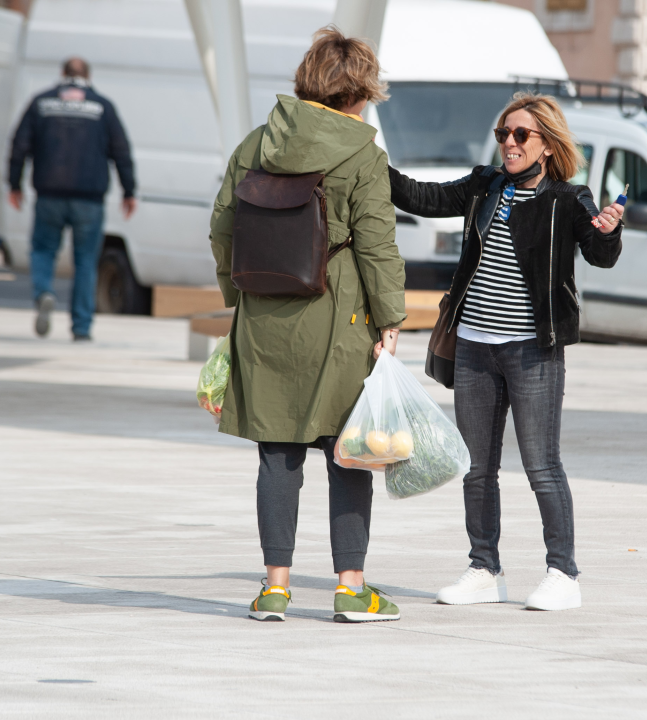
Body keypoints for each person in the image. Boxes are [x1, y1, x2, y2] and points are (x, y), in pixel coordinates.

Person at [388, 92, 624, 611]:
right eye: (503, 134)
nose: (509, 144)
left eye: (520, 135)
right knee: (476, 467)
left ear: (546, 145)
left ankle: (563, 574)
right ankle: (483, 568)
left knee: (542, 466)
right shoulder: (485, 187)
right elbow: (421, 197)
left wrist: (610, 230)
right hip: (474, 346)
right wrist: (367, 160)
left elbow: (600, 255)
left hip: (532, 351)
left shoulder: (568, 198)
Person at [208, 27, 407, 623]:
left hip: (264, 317)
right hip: (339, 321)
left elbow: (222, 227)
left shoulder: (254, 143)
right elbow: (377, 245)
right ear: (356, 92)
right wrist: (391, 320)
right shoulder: (363, 154)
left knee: (277, 455)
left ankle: (274, 589)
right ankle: (351, 590)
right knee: (349, 453)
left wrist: (237, 295)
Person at [8, 57, 136, 341]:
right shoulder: (102, 106)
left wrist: (13, 184)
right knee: (86, 261)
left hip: (49, 195)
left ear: (62, 74)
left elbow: (19, 145)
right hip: (89, 200)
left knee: (42, 250)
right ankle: (81, 327)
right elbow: (121, 150)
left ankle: (43, 292)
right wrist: (129, 191)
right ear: (87, 77)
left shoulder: (41, 102)